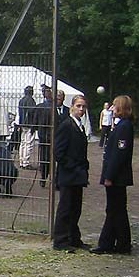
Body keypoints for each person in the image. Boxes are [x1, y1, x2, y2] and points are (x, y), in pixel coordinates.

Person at [91, 95, 134, 255]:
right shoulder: (122, 126)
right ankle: (111, 242)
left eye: (115, 106)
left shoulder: (124, 127)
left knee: (116, 209)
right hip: (117, 176)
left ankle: (118, 243)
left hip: (117, 177)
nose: (111, 109)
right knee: (115, 209)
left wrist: (109, 176)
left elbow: (118, 154)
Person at [52, 94, 89, 252]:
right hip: (69, 174)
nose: (81, 109)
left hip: (78, 174)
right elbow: (58, 152)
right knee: (65, 207)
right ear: (72, 107)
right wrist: (72, 166)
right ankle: (60, 240)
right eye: (78, 106)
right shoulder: (67, 125)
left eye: (83, 107)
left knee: (76, 207)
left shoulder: (79, 125)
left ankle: (74, 237)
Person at [35, 86, 69, 187]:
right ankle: (44, 176)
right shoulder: (47, 109)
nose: (58, 99)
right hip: (48, 138)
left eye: (60, 98)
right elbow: (42, 125)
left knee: (60, 160)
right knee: (46, 159)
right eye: (57, 98)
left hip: (61, 139)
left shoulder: (67, 110)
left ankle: (57, 180)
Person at [18, 86, 36, 169]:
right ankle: (26, 162)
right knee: (29, 143)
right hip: (29, 124)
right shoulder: (31, 101)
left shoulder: (21, 100)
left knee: (23, 143)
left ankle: (21, 161)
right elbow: (32, 112)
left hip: (22, 124)